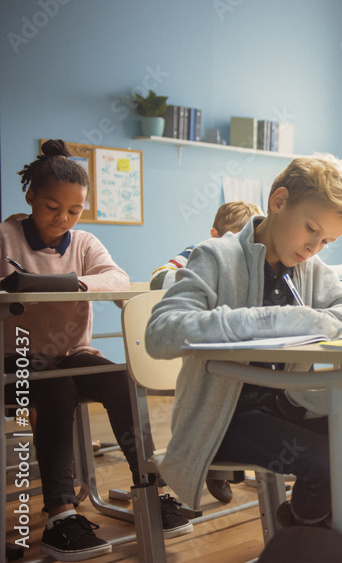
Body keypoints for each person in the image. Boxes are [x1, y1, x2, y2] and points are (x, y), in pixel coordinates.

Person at [145, 154, 342, 532]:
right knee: (324, 463)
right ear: (278, 202)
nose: (315, 246)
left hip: (289, 403)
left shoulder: (309, 268)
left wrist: (318, 320)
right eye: (311, 229)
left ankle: (302, 534)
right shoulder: (215, 256)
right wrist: (262, 322)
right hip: (224, 416)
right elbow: (161, 332)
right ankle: (312, 543)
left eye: (326, 240)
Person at [1, 140, 191, 561]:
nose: (62, 218)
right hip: (16, 360)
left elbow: (116, 277)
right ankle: (60, 514)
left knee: (122, 378)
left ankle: (151, 490)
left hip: (73, 354)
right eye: (52, 206)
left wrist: (77, 284)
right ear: (30, 196)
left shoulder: (84, 243)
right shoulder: (5, 238)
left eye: (74, 211)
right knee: (54, 386)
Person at [149, 200, 262, 503]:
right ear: (214, 234)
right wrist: (215, 278)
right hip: (201, 349)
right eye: (231, 238)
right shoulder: (200, 253)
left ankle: (225, 467)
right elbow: (159, 276)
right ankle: (214, 467)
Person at [149, 200, 262, 290]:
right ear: (215, 235)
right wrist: (207, 279)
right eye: (234, 240)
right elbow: (157, 279)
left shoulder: (258, 260)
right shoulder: (197, 252)